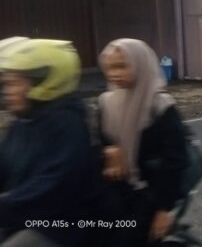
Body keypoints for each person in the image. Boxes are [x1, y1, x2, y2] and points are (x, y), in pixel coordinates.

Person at [0, 39, 98, 247]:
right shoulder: (24, 121)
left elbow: (54, 185)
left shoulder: (67, 123)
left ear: (45, 81)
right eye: (6, 83)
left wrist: (7, 204)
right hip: (24, 216)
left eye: (14, 83)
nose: (6, 90)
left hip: (60, 225)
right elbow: (5, 164)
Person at [97, 39, 188, 247]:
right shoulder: (106, 103)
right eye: (110, 67)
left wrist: (164, 209)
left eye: (122, 66)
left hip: (151, 196)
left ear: (140, 64)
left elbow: (175, 162)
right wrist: (108, 150)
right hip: (117, 194)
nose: (114, 74)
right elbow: (100, 141)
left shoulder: (160, 106)